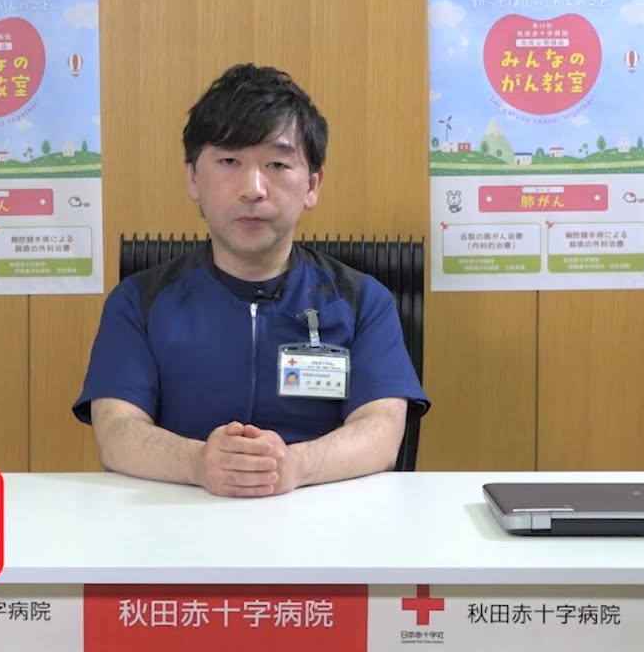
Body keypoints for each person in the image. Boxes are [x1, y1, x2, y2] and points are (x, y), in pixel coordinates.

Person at [72, 63, 430, 498]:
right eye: (229, 161)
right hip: (178, 517)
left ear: (312, 184)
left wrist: (293, 466)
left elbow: (382, 430)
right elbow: (116, 430)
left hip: (324, 521)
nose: (253, 188)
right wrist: (198, 463)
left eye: (277, 164)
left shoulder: (363, 301)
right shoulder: (138, 302)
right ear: (193, 177)